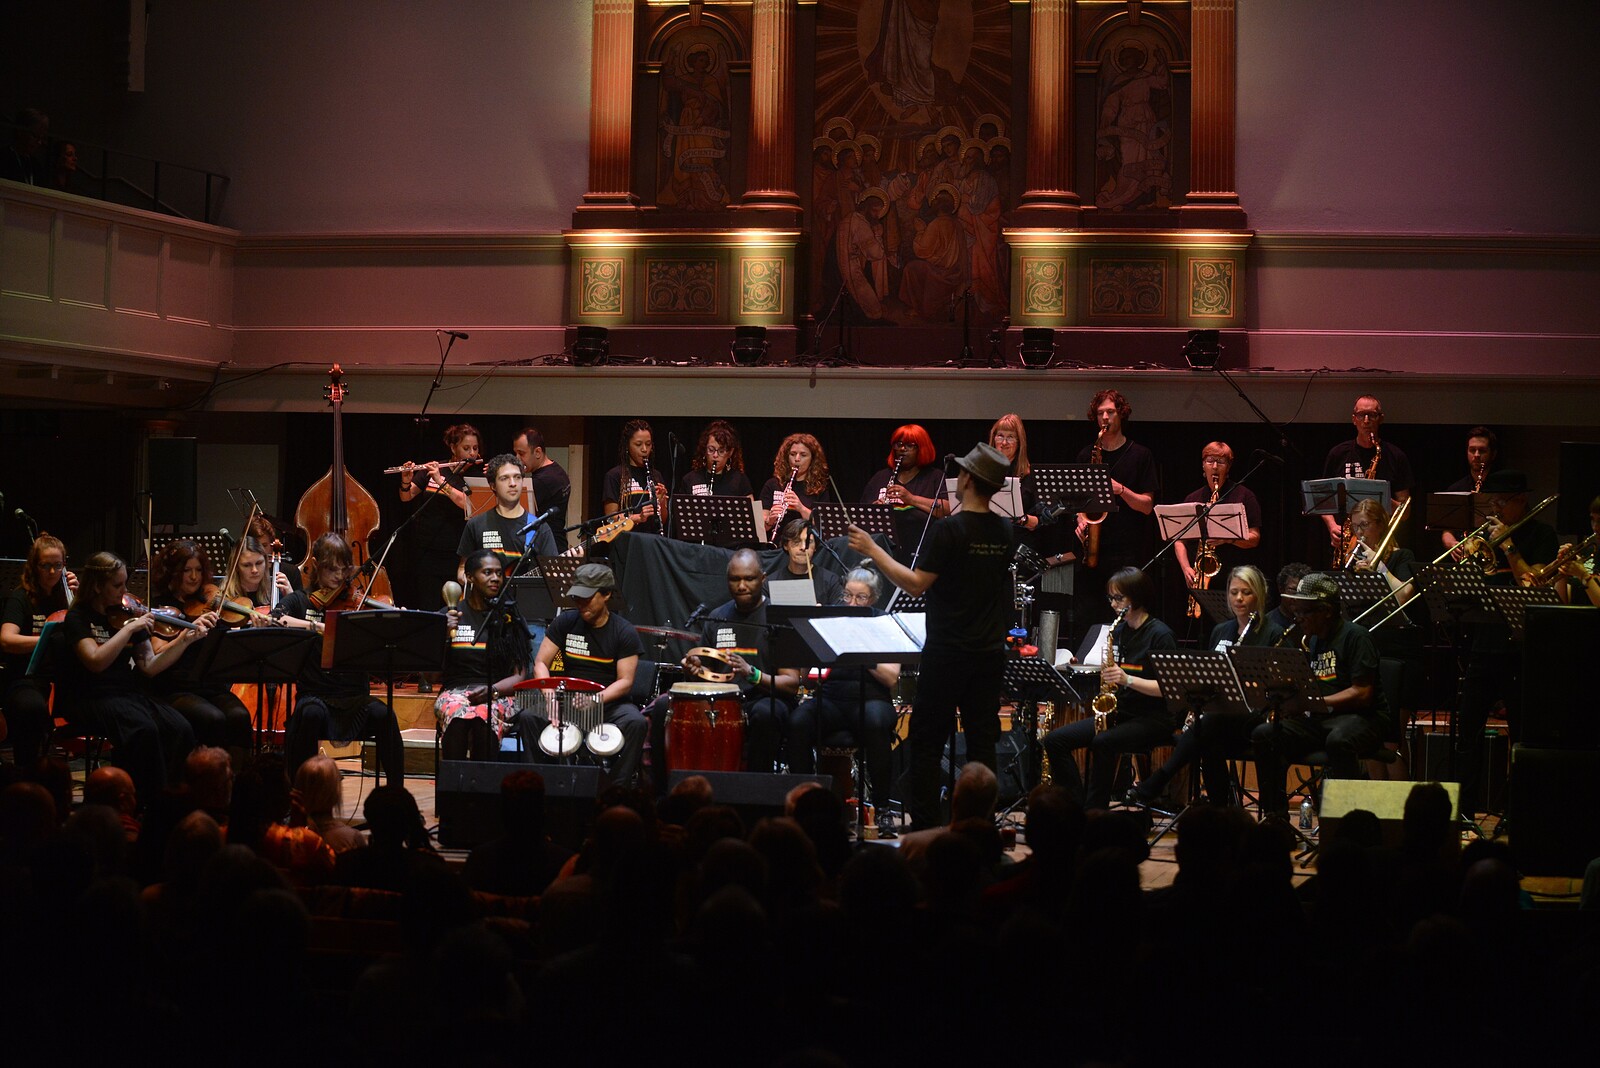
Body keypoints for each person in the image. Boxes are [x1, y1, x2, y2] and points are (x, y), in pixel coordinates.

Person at [848, 443, 1013, 830]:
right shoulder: (1004, 530)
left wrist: (873, 548)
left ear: (969, 480)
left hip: (947, 651)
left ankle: (924, 830)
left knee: (926, 742)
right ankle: (979, 827)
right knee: (982, 743)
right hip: (988, 653)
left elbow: (916, 584)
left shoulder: (949, 529)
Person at [1126, 565, 1282, 809]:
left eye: (1246, 592)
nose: (1239, 598)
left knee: (1205, 726)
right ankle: (1222, 808)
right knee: (1207, 738)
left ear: (1259, 595)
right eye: (1234, 592)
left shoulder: (1272, 633)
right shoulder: (1222, 630)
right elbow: (1209, 675)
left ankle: (1158, 781)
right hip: (1221, 712)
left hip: (1254, 715)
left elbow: (1271, 685)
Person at [57, 551, 201, 802]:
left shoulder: (126, 615)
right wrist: (130, 629)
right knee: (143, 730)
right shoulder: (78, 617)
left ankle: (175, 799)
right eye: (117, 585)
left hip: (126, 694)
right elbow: (95, 661)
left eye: (125, 583)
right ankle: (144, 801)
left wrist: (183, 641)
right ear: (97, 586)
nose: (124, 591)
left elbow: (150, 666)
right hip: (89, 695)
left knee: (180, 727)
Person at [1454, 470, 1558, 816]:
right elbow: (1466, 587)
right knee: (1467, 732)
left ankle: (1519, 813)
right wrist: (1469, 558)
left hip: (1520, 649)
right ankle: (1465, 811)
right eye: (1492, 501)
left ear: (1521, 501)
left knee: (1521, 735)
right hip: (1483, 645)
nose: (1494, 508)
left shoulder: (1543, 535)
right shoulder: (1485, 536)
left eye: (1501, 501)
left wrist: (1509, 545)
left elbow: (1532, 584)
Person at [1249, 574, 1387, 821]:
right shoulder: (1313, 640)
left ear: (1326, 611)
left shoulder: (1356, 636)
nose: (1297, 618)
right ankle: (1276, 819)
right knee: (1266, 734)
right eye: (1296, 611)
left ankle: (1348, 822)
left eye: (1304, 612)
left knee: (1338, 741)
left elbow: (1362, 693)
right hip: (1325, 720)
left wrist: (1315, 703)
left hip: (1364, 719)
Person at [1041, 567, 1177, 811]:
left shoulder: (1160, 635)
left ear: (1136, 597)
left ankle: (1095, 811)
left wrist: (1127, 680)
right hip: (1122, 711)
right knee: (1054, 741)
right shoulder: (1120, 631)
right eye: (1111, 598)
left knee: (1103, 742)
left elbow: (1169, 690)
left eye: (1119, 598)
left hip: (1153, 717)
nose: (1114, 605)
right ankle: (1076, 804)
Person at [275, 533, 404, 786]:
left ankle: (397, 793)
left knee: (385, 715)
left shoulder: (355, 602)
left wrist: (395, 620)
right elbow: (278, 618)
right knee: (309, 714)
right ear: (315, 565)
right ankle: (300, 794)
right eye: (332, 569)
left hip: (354, 696)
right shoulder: (301, 600)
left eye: (344, 570)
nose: (338, 577)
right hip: (315, 694)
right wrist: (319, 627)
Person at [787, 568, 902, 833]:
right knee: (798, 721)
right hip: (832, 698)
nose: (851, 603)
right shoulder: (833, 619)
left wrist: (858, 648)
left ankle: (882, 809)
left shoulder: (884, 622)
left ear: (873, 599)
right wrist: (810, 632)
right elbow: (806, 678)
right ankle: (805, 803)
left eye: (860, 598)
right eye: (847, 595)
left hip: (872, 698)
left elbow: (891, 677)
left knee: (875, 722)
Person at [530, 563, 648, 786]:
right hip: (567, 699)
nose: (580, 603)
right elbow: (540, 663)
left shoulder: (623, 631)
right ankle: (540, 785)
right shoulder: (565, 622)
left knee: (636, 722)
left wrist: (596, 699)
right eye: (577, 597)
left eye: (587, 597)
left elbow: (625, 682)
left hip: (607, 703)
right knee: (529, 718)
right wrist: (550, 697)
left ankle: (616, 787)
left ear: (606, 595)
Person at [146, 539, 253, 754]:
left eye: (198, 570)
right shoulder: (162, 607)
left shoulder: (209, 601)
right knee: (212, 718)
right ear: (173, 573)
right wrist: (187, 635)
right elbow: (157, 652)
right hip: (175, 688)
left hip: (210, 685)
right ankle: (206, 778)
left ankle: (236, 780)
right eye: (187, 570)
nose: (194, 577)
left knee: (240, 716)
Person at [1074, 390, 1159, 627]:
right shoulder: (1086, 455)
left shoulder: (1141, 455)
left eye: (1110, 412)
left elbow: (1147, 506)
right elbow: (1078, 502)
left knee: (1122, 620)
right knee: (1089, 618)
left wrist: (1121, 490)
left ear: (1121, 415)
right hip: (1093, 552)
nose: (1105, 418)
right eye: (1100, 413)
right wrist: (1081, 521)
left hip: (1126, 553)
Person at [437, 550, 531, 761]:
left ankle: (482, 787)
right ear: (470, 577)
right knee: (458, 718)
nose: (495, 578)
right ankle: (454, 785)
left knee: (483, 719)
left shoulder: (509, 618)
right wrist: (440, 636)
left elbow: (519, 675)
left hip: (499, 693)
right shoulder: (450, 615)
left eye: (498, 573)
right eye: (487, 572)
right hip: (455, 691)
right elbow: (431, 673)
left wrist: (493, 690)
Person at [1, 533, 78, 769]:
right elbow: (6, 639)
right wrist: (46, 639)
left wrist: (79, 598)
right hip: (27, 678)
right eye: (46, 566)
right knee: (31, 708)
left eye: (58, 565)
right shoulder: (21, 597)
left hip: (63, 679)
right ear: (35, 566)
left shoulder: (68, 597)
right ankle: (28, 773)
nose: (53, 572)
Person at [1320, 395, 1413, 562]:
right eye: (1362, 415)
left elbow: (1405, 512)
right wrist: (1332, 526)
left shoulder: (1396, 456)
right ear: (1354, 419)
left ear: (1381, 419)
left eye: (1372, 415)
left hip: (1383, 544)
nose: (1367, 420)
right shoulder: (1338, 454)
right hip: (1347, 540)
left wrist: (1382, 498)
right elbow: (1323, 501)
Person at [399, 423, 480, 609]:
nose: (472, 453)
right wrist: (406, 480)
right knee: (429, 605)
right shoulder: (437, 469)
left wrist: (441, 483)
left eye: (475, 448)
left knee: (455, 609)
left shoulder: (477, 475)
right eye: (466, 448)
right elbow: (406, 496)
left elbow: (470, 505)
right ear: (453, 448)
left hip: (458, 555)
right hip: (428, 551)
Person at [1172, 442, 1262, 593]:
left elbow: (1255, 538)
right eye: (1210, 461)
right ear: (1203, 465)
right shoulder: (1192, 498)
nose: (1214, 466)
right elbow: (1179, 540)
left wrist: (1228, 539)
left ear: (1228, 467)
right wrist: (1186, 568)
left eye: (1220, 462)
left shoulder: (1245, 496)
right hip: (1200, 576)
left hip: (1235, 577)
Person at [456, 452, 560, 583]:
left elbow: (553, 576)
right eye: (504, 478)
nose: (513, 483)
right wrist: (471, 581)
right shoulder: (476, 524)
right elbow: (462, 569)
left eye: (517, 477)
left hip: (524, 602)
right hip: (485, 602)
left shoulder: (540, 528)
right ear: (492, 485)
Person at [860, 424, 947, 562]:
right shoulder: (880, 477)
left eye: (910, 445)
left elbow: (947, 510)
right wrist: (875, 510)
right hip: (885, 553)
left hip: (923, 552)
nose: (902, 449)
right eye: (898, 444)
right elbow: (861, 514)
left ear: (922, 448)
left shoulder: (935, 477)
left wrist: (911, 499)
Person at [760, 433, 833, 537]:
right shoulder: (773, 484)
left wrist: (800, 508)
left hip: (806, 545)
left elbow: (823, 525)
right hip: (776, 546)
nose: (797, 459)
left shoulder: (819, 487)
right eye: (793, 454)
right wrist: (770, 520)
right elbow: (760, 527)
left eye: (803, 455)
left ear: (812, 459)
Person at [603, 419, 667, 536]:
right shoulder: (615, 476)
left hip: (652, 542)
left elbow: (663, 519)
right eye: (638, 444)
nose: (644, 449)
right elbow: (610, 519)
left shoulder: (656, 476)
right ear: (627, 445)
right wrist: (637, 518)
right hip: (626, 543)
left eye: (648, 444)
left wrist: (661, 502)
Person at [513, 426, 571, 536]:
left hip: (545, 544)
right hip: (557, 539)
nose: (517, 458)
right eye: (515, 453)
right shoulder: (557, 469)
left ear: (538, 452)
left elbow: (515, 512)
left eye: (521, 453)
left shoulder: (541, 481)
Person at [773, 517, 844, 606]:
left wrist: (823, 613)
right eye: (796, 541)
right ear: (786, 545)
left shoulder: (831, 581)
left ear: (815, 547)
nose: (803, 547)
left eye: (808, 542)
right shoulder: (772, 582)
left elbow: (841, 615)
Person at [677, 419, 755, 499]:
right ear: (704, 450)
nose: (715, 455)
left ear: (730, 452)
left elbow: (752, 509)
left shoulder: (739, 480)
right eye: (711, 450)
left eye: (721, 451)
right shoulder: (690, 479)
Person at [1556, 495, 1600, 607]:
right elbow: (1561, 603)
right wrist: (1562, 571)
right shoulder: (1588, 552)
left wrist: (1584, 575)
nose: (1595, 527)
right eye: (1592, 520)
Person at [1, 107, 48, 185]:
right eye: (35, 136)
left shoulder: (36, 165)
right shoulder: (4, 157)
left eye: (41, 137)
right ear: (20, 131)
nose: (39, 142)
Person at [1266, 562, 1311, 634]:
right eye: (1293, 590)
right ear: (1281, 589)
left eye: (1302, 591)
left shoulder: (1312, 623)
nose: (1297, 598)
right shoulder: (1268, 624)